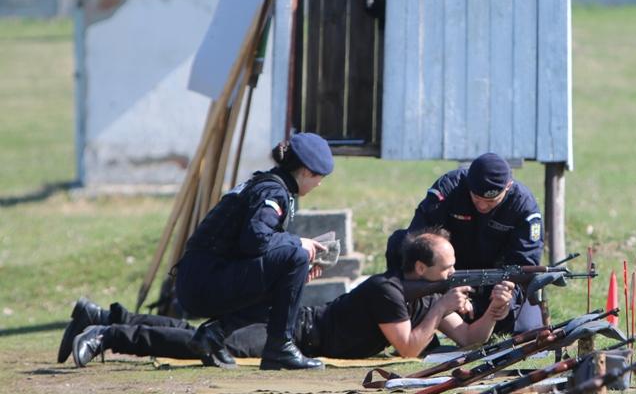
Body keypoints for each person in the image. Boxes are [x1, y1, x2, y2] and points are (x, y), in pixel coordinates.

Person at [62, 230, 515, 366]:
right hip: (295, 331)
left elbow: (470, 339)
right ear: (419, 269)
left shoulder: (425, 294)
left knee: (197, 335)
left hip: (303, 334)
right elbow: (411, 347)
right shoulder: (388, 291)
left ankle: (103, 315)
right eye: (448, 268)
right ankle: (109, 335)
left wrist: (493, 312)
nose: (454, 275)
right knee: (205, 344)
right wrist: (440, 307)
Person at [174, 132, 334, 370]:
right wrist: (299, 244)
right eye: (319, 177)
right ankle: (280, 348)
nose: (319, 184)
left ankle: (215, 333)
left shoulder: (268, 185)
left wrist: (296, 273)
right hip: (204, 282)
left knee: (291, 270)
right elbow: (255, 239)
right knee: (296, 256)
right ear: (306, 172)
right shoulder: (272, 192)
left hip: (200, 279)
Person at [386, 153, 544, 333]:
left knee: (525, 329)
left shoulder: (524, 206)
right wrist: (446, 291)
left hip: (498, 281)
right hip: (447, 273)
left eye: (491, 201)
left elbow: (524, 265)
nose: (483, 206)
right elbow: (419, 242)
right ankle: (411, 317)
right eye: (476, 198)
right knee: (399, 243)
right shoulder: (448, 189)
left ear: (508, 187)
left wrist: (507, 298)